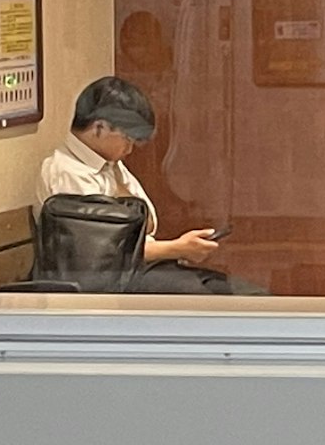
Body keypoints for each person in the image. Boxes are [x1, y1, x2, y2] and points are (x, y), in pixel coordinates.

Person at [37, 76, 228, 289]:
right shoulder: (67, 171)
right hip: (107, 282)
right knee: (198, 297)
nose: (129, 150)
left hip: (137, 269)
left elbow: (148, 221)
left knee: (229, 288)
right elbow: (107, 251)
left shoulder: (109, 163)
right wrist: (178, 248)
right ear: (99, 127)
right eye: (127, 139)